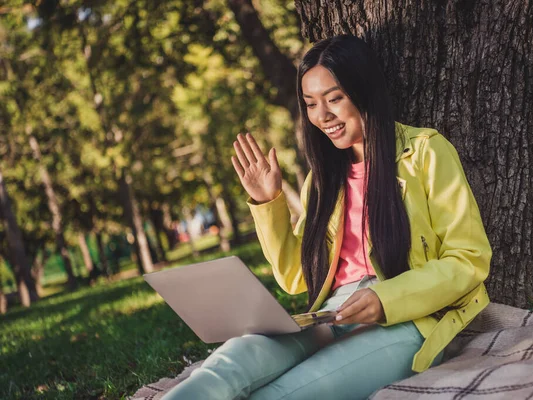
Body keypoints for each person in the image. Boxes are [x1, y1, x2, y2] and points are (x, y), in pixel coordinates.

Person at [164, 34, 492, 400]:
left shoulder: (426, 152)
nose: (323, 116)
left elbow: (468, 259)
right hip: (331, 313)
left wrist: (387, 298)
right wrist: (267, 202)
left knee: (284, 394)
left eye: (334, 98)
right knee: (223, 369)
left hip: (409, 319)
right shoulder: (323, 180)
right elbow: (295, 276)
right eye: (311, 104)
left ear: (363, 91)